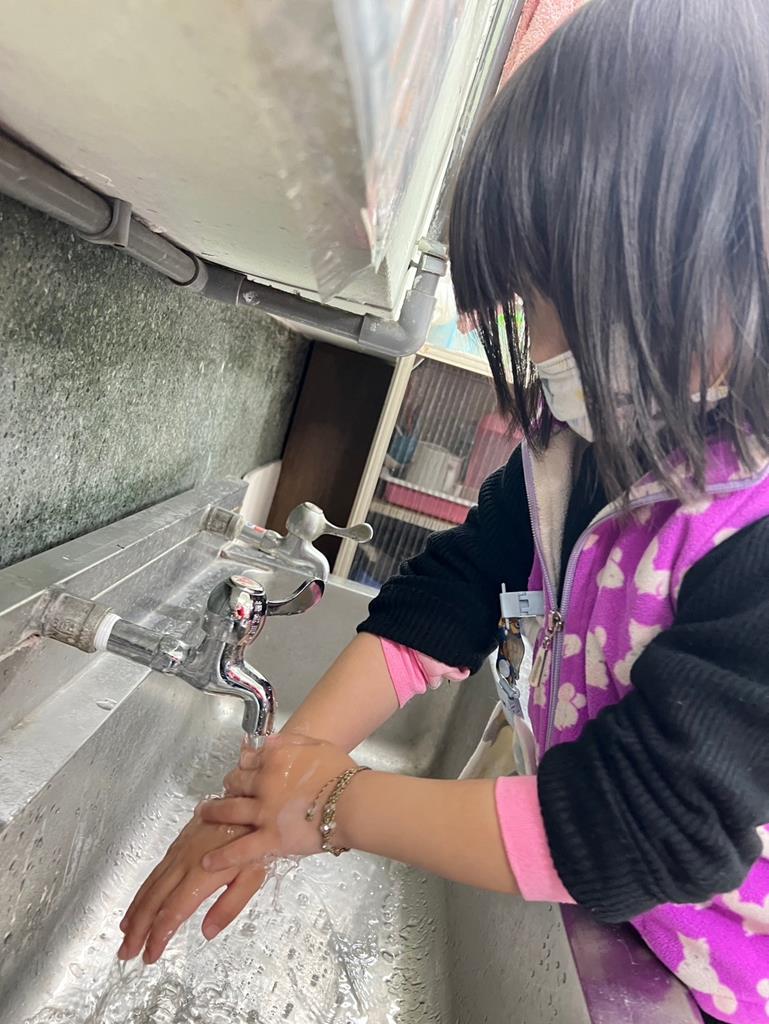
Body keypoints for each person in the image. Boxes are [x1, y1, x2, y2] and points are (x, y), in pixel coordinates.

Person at [118, 1, 769, 1020]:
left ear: (720, 258)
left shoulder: (752, 533)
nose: (541, 347)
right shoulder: (583, 450)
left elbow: (645, 829)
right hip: (614, 929)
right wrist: (278, 783)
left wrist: (332, 804)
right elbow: (456, 592)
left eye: (558, 299)